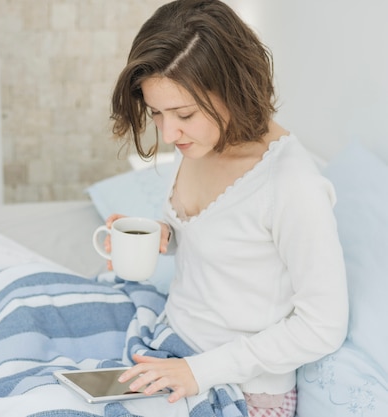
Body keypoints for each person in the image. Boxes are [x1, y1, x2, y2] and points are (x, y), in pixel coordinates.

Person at [105, 1, 349, 416]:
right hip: (170, 344)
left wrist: (198, 372)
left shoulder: (293, 186)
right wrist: (165, 234)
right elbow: (223, 238)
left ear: (233, 90)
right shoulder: (202, 140)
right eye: (157, 113)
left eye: (183, 114)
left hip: (240, 387)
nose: (168, 133)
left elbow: (323, 327)